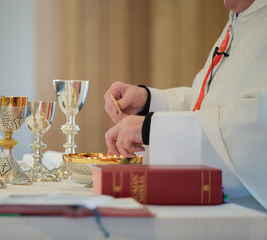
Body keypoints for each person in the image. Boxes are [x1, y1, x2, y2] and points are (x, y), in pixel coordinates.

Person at [104, 0, 267, 210]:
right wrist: (147, 101)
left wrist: (151, 128)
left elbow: (254, 128)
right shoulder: (239, 21)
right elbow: (207, 106)